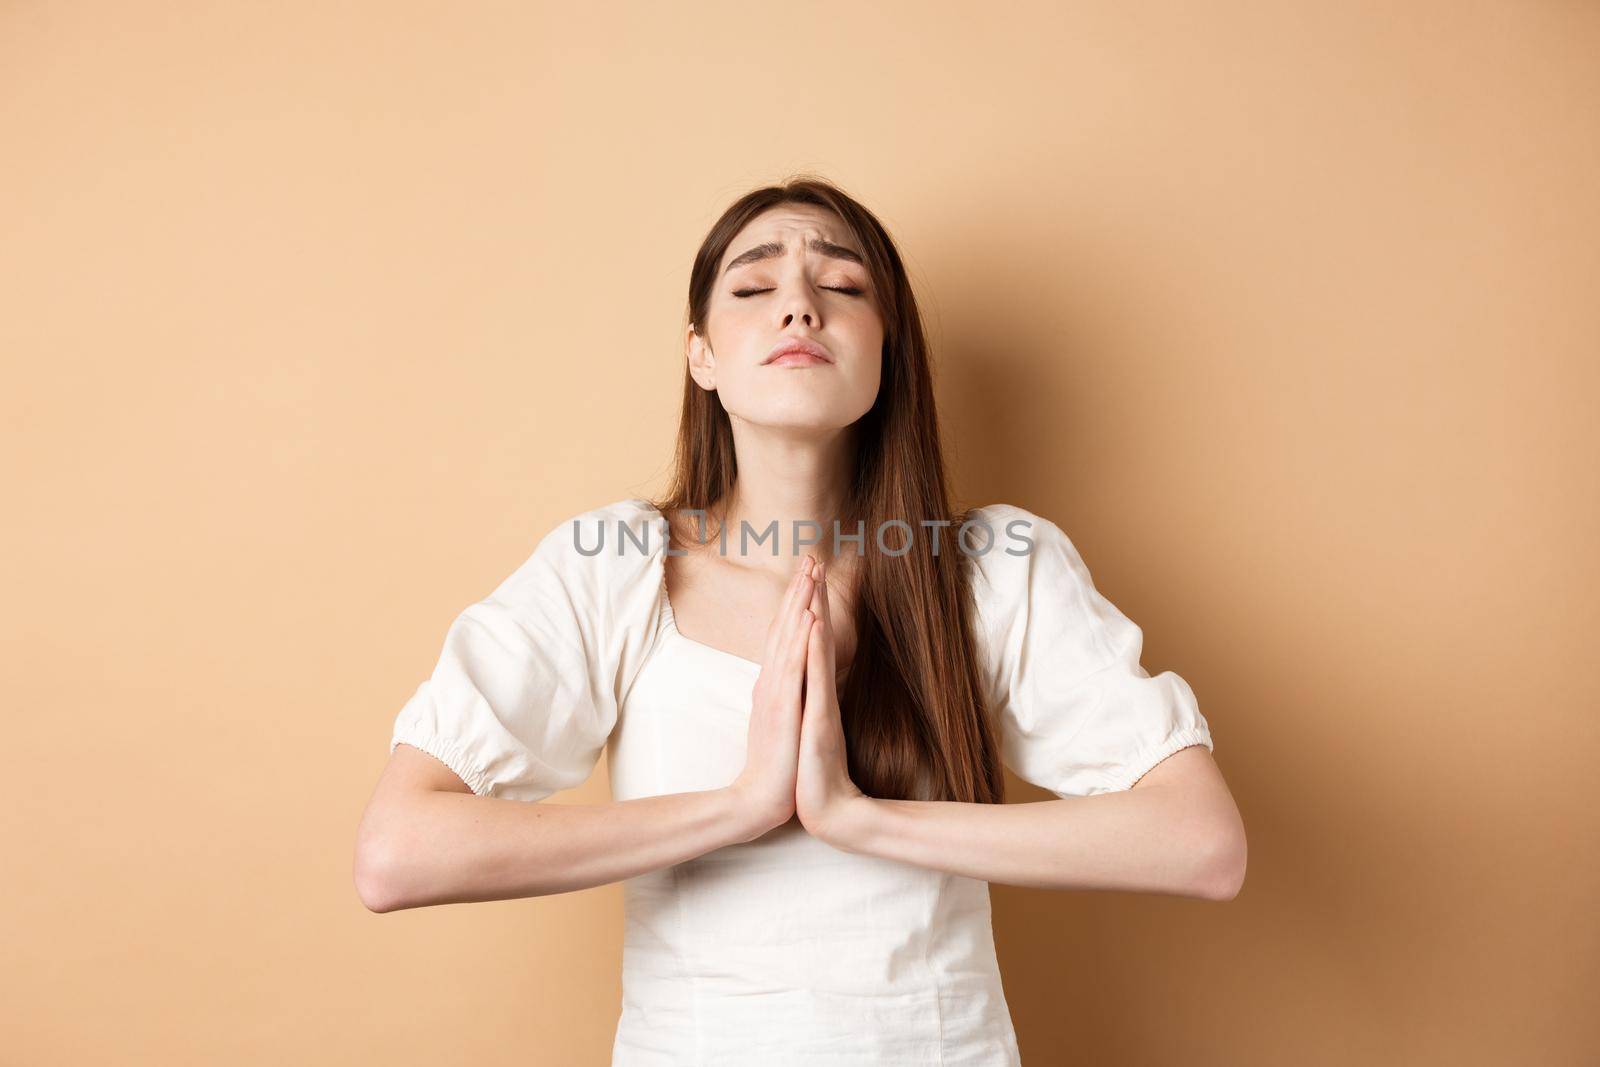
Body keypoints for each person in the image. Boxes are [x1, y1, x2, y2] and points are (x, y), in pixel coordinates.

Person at [353, 175, 1247, 1064]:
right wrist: (741, 805)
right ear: (700, 355)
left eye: (843, 287)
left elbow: (1200, 843)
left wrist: (859, 817)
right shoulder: (615, 563)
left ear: (889, 348)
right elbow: (399, 853)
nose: (798, 309)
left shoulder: (995, 566)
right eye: (753, 288)